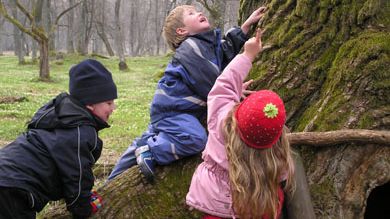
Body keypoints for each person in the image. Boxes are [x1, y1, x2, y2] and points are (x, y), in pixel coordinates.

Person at [108, 5, 267, 181]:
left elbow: (225, 50)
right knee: (195, 139)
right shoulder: (191, 49)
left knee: (140, 146)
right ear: (182, 30)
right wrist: (234, 89)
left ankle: (112, 179)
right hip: (173, 111)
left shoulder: (205, 43)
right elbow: (210, 83)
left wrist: (245, 27)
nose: (199, 12)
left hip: (178, 111)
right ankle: (150, 150)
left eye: (197, 10)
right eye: (191, 13)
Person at [186, 30, 295, 219]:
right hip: (260, 208)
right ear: (279, 138)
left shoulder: (222, 121)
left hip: (215, 206)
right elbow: (284, 174)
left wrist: (248, 55)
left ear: (238, 111)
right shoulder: (277, 158)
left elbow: (223, 88)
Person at [0, 59, 117, 218]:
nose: (113, 108)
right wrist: (83, 208)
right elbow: (77, 175)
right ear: (90, 103)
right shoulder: (80, 133)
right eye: (109, 103)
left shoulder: (59, 115)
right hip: (14, 190)